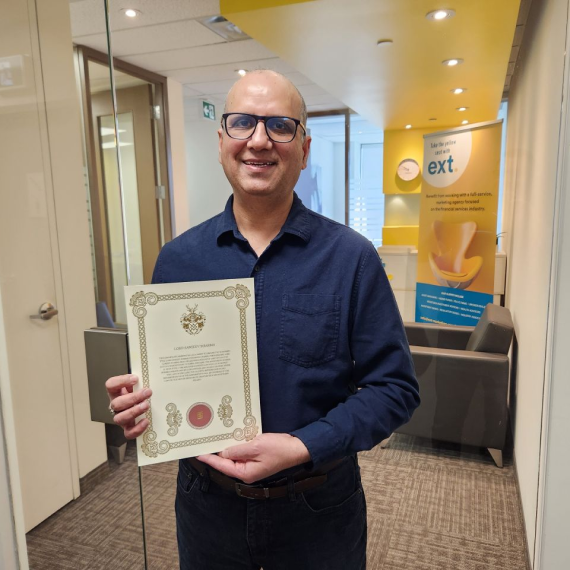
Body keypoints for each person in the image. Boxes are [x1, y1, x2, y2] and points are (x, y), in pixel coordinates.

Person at [106, 70, 420, 570]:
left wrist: (301, 445)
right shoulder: (178, 260)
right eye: (242, 123)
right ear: (221, 140)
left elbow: (395, 390)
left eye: (279, 125)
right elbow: (159, 382)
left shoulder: (351, 258)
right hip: (206, 509)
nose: (258, 141)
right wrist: (137, 405)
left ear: (304, 147)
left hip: (317, 513)